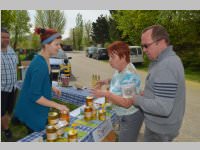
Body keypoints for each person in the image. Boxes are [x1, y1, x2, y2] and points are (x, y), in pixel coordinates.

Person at [131, 25, 185, 141]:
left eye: (146, 45)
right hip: (162, 127)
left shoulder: (166, 66)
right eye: (142, 46)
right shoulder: (166, 60)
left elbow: (163, 108)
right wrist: (146, 94)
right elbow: (163, 92)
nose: (144, 50)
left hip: (160, 131)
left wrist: (137, 100)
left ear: (160, 42)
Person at [13, 28, 69, 132]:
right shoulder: (39, 65)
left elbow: (41, 80)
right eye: (56, 44)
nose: (59, 47)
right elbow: (35, 96)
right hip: (32, 110)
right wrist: (58, 106)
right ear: (47, 45)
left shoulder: (45, 59)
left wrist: (51, 87)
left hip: (37, 108)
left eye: (59, 44)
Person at [91, 41, 144, 142]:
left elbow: (127, 103)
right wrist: (106, 81)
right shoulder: (121, 69)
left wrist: (106, 94)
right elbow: (119, 80)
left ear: (123, 56)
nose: (109, 60)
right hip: (123, 115)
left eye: (112, 57)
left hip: (130, 117)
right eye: (109, 57)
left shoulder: (130, 75)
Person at [1, 28, 18, 139]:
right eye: (3, 37)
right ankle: (6, 129)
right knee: (1, 111)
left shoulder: (11, 49)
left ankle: (4, 125)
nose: (6, 40)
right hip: (2, 89)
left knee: (9, 110)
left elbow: (16, 64)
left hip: (12, 87)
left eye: (8, 37)